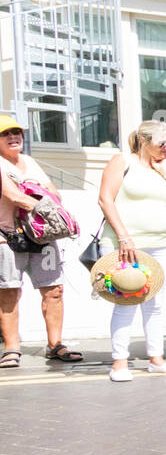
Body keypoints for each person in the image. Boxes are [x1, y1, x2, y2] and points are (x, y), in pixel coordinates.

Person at [96, 120, 166, 381]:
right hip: (126, 244)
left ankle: (156, 359)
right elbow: (105, 199)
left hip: (161, 244)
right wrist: (124, 237)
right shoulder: (123, 161)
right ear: (145, 141)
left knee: (155, 304)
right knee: (126, 300)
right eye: (163, 143)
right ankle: (119, 364)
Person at [0, 114, 81, 367]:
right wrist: (47, 206)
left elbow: (53, 192)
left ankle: (55, 345)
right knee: (10, 292)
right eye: (6, 134)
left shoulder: (29, 161)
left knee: (54, 290)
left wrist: (48, 204)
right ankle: (12, 348)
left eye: (17, 132)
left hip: (42, 236)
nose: (14, 137)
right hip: (8, 237)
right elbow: (14, 196)